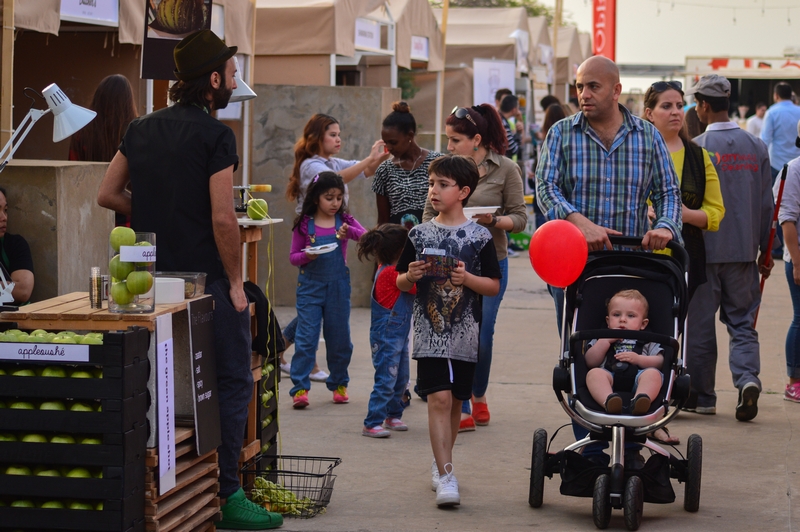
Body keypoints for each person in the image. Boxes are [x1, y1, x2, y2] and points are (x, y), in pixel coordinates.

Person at [96, 30, 283, 529]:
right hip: (205, 285)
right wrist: (238, 284)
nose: (236, 81)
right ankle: (227, 494)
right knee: (232, 379)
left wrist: (154, 212)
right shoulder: (217, 136)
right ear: (214, 79)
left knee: (161, 388)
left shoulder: (140, 127)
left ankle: (181, 485)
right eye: (233, 72)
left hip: (148, 283)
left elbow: (107, 194)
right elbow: (225, 219)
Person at [536, 55, 682, 467]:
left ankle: (634, 437)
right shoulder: (562, 134)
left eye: (593, 86)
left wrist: (667, 227)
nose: (583, 94)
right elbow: (545, 187)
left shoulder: (647, 137)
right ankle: (593, 448)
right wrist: (578, 222)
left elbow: (668, 192)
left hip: (633, 265)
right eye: (580, 86)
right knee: (582, 350)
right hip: (575, 267)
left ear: (616, 90)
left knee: (638, 343)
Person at [396, 154, 501, 507]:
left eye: (443, 184)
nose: (433, 191)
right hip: (429, 333)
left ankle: (442, 462)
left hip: (466, 334)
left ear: (464, 191)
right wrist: (409, 276)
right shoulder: (419, 233)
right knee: (438, 399)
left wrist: (467, 278)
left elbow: (493, 285)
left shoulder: (480, 237)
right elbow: (397, 280)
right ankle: (446, 475)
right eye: (431, 184)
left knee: (457, 400)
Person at [424, 104, 526, 431]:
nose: (449, 146)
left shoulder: (506, 169)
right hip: (448, 265)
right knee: (456, 332)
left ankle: (478, 395)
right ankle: (463, 403)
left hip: (488, 263)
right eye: (448, 139)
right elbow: (428, 216)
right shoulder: (444, 168)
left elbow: (521, 219)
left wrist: (493, 220)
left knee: (481, 335)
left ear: (477, 140)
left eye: (455, 140)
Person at [685, 74, 774, 421]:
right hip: (743, 253)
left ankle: (703, 396)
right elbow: (767, 205)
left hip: (704, 250)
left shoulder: (695, 147)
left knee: (701, 327)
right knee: (742, 324)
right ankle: (747, 379)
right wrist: (768, 250)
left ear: (704, 106)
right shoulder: (757, 147)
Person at [281, 113, 388, 380]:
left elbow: (365, 169)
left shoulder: (331, 161)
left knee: (319, 308)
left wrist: (379, 155)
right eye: (332, 134)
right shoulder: (310, 165)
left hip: (335, 246)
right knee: (312, 310)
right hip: (313, 238)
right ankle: (294, 356)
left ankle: (280, 347)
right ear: (317, 137)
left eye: (340, 134)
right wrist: (367, 160)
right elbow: (336, 178)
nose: (338, 139)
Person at [288, 171, 366, 409]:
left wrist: (349, 232)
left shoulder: (345, 221)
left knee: (340, 338)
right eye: (329, 197)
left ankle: (339, 383)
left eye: (339, 198)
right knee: (306, 338)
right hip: (310, 286)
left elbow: (366, 237)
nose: (335, 203)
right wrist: (306, 255)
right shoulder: (304, 224)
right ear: (316, 198)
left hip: (338, 287)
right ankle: (300, 388)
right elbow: (293, 257)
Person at [642, 80, 726, 300]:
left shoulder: (699, 157)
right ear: (650, 113)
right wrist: (642, 213)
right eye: (667, 106)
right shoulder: (634, 154)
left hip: (684, 264)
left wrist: (686, 215)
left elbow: (716, 212)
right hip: (638, 260)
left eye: (680, 106)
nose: (676, 112)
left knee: (678, 330)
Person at [358, 223, 416, 438]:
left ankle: (393, 414)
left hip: (398, 336)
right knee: (386, 378)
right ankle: (372, 421)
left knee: (401, 378)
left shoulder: (389, 268)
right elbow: (415, 288)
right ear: (402, 252)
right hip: (386, 336)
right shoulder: (392, 273)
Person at [69, 74, 138, 227]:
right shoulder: (137, 133)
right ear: (128, 101)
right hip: (127, 215)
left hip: (90, 213)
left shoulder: (81, 134)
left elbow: (73, 175)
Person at [585, 290, 664, 415]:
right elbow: (590, 361)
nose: (622, 320)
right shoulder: (602, 337)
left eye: (631, 316)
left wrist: (639, 359)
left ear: (643, 324)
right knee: (594, 374)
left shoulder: (648, 340)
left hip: (638, 377)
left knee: (653, 374)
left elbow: (660, 361)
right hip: (609, 377)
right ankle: (609, 402)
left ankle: (641, 401)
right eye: (616, 315)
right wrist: (604, 342)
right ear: (607, 321)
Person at [372, 102, 443, 229]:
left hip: (434, 238)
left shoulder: (438, 162)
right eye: (386, 143)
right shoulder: (384, 170)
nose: (388, 148)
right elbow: (383, 221)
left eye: (393, 142)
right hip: (399, 243)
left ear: (410, 135)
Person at [776, 135, 800, 403]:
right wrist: (796, 261)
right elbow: (787, 219)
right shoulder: (793, 170)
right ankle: (794, 381)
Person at [0, 187, 34, 305]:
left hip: (11, 320)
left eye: (5, 210)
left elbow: (23, 291)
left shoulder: (15, 244)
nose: (4, 217)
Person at [761, 82, 800, 179]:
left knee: (776, 193)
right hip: (797, 163)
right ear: (791, 95)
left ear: (776, 95)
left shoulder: (771, 113)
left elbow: (765, 140)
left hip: (776, 164)